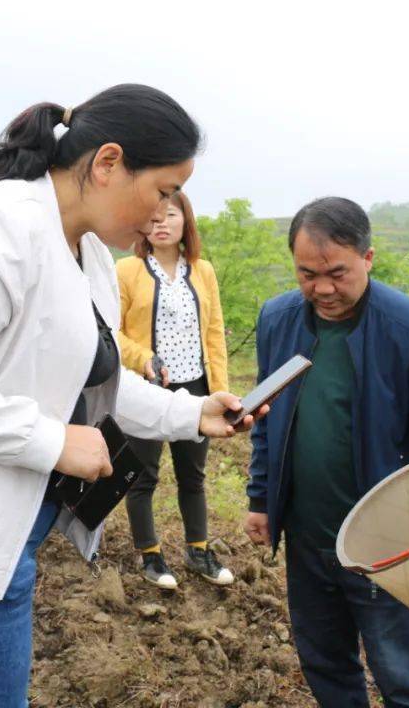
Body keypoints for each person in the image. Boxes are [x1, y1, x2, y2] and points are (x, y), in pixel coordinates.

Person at [0, 84, 263, 708]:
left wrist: (191, 412)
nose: (164, 211)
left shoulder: (87, 251)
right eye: (165, 189)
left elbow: (96, 379)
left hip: (1, 526)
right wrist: (52, 441)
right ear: (108, 163)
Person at [244, 197, 409, 708]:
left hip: (385, 545)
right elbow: (264, 417)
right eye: (306, 273)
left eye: (337, 273)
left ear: (368, 258)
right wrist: (260, 498)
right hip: (307, 537)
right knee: (325, 665)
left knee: (405, 677)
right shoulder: (278, 319)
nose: (322, 288)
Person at [115, 191, 233, 588]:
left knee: (193, 476)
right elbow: (111, 333)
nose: (162, 223)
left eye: (171, 215)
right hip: (147, 389)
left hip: (196, 388)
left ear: (186, 222)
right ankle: (150, 556)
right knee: (143, 476)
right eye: (154, 216)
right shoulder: (127, 271)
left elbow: (214, 334)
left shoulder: (203, 271)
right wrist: (143, 358)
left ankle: (198, 551)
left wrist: (221, 390)